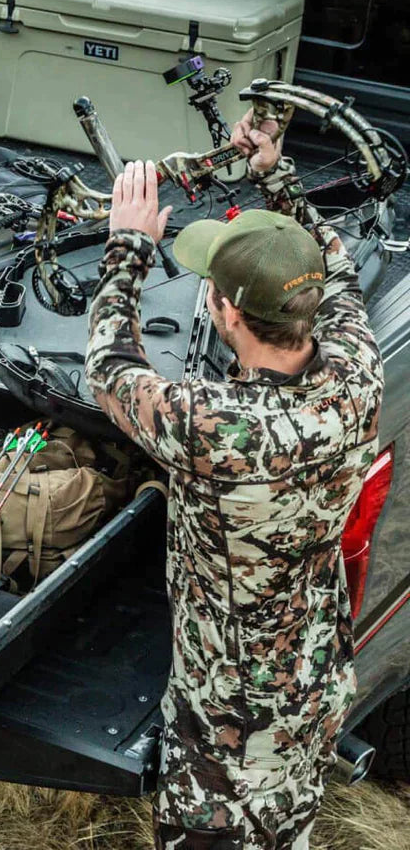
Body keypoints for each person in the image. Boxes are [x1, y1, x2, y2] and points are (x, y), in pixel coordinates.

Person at [84, 113, 384, 850]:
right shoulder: (357, 368)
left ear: (228, 313)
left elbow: (108, 369)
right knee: (291, 823)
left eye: (213, 287)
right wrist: (275, 176)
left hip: (228, 719)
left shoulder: (210, 424)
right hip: (313, 676)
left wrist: (127, 247)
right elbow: (337, 267)